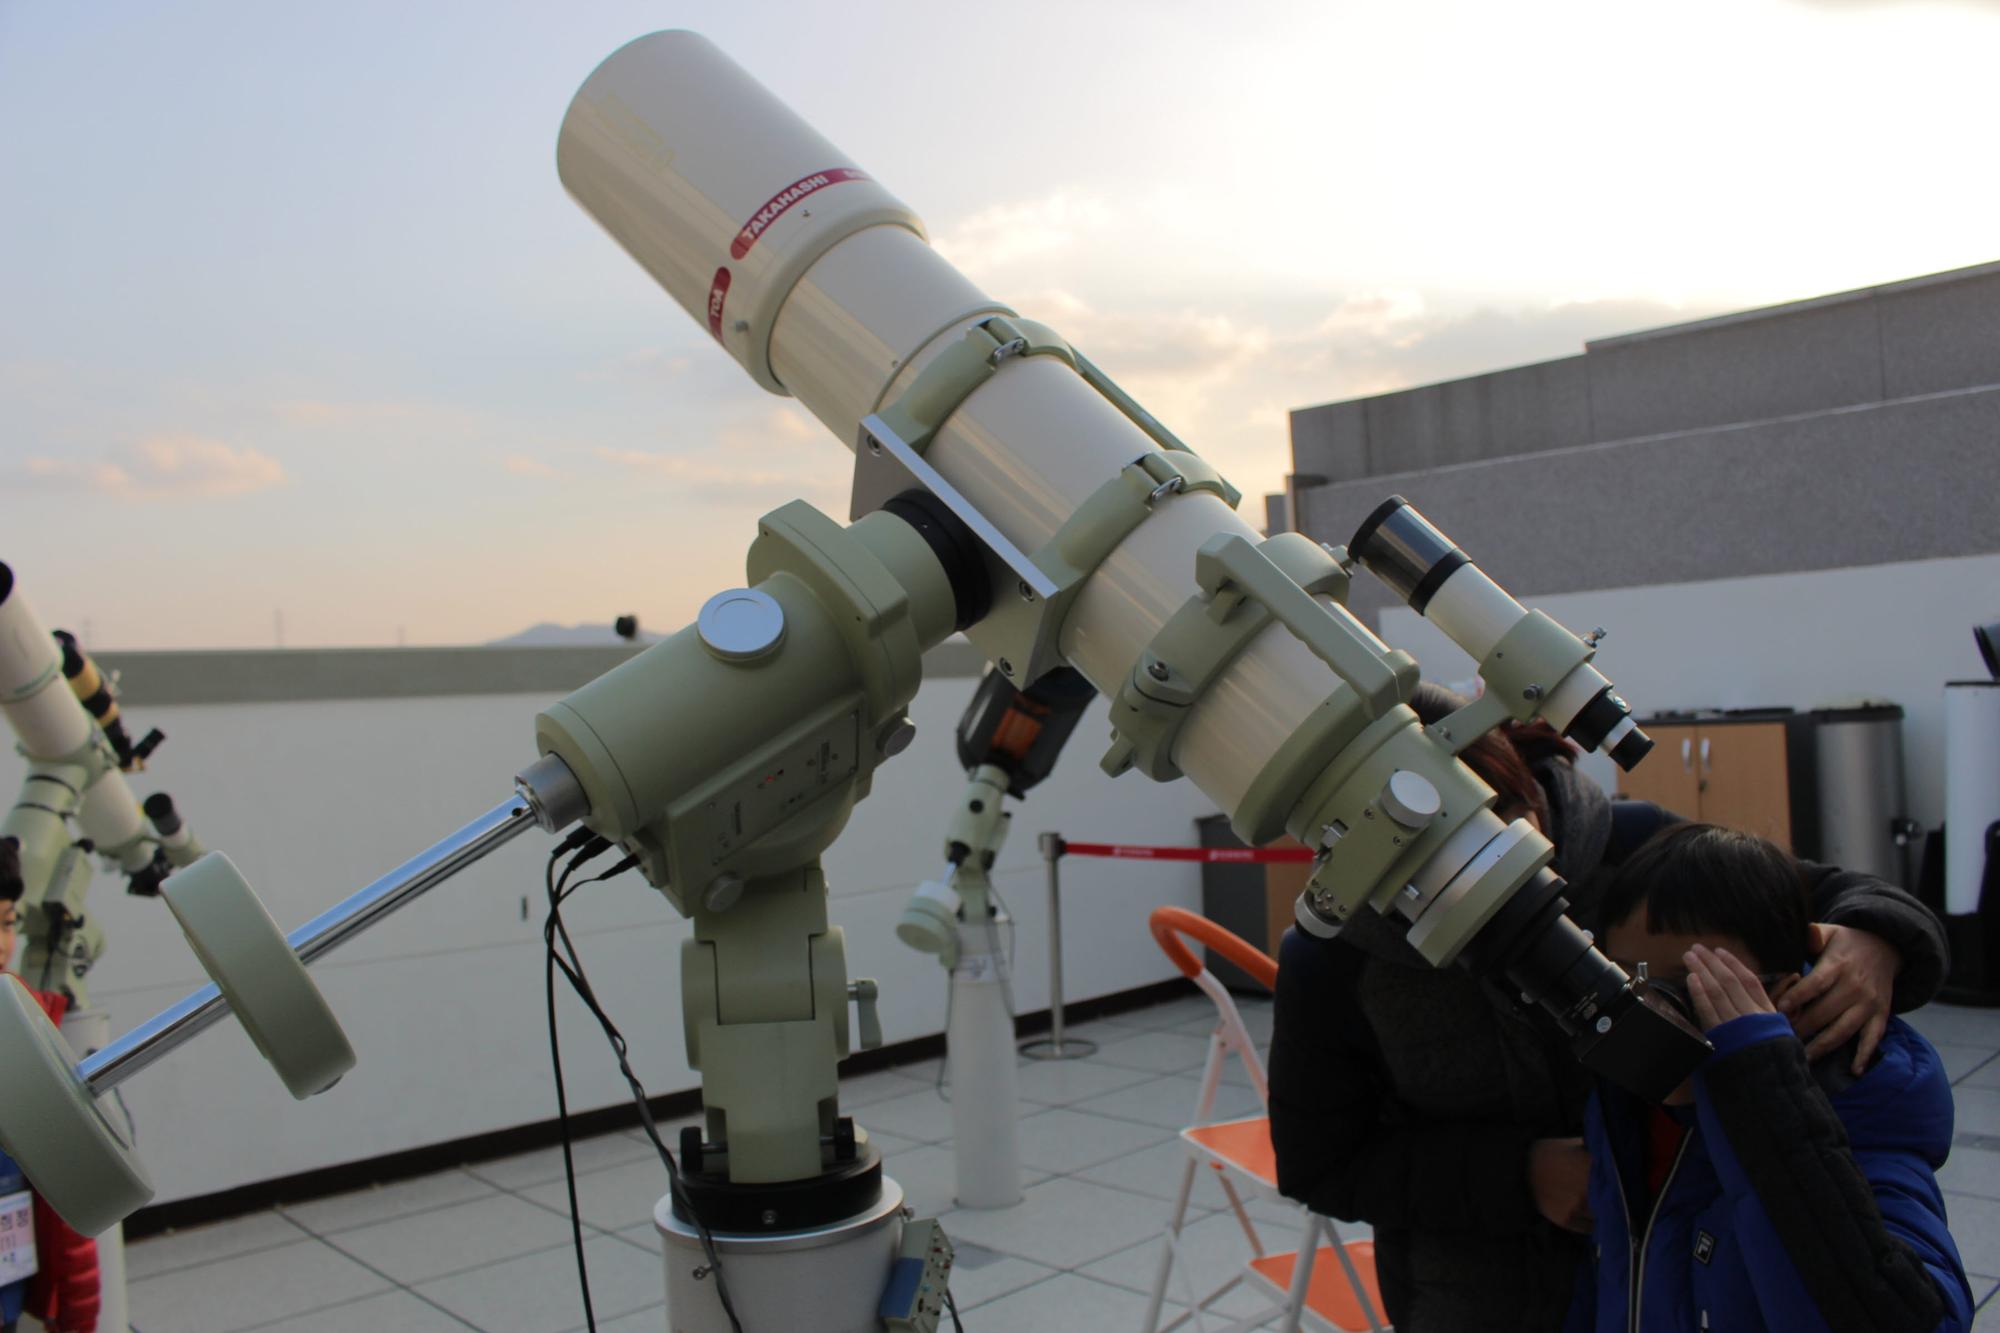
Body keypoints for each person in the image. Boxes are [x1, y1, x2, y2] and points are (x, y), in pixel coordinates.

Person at [1266, 686, 1949, 1333]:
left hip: (1690, 1249)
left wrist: (1877, 936)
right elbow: (1319, 1163)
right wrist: (1519, 1175)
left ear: (1526, 795)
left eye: (1493, 844)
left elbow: (1802, 898)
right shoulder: (1334, 958)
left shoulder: (1632, 849)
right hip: (1478, 1293)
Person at [1568, 822, 1971, 1332]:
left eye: (1693, 986)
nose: (1651, 1019)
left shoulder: (1861, 1107)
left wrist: (1762, 1093)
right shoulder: (1625, 1103)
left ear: (1786, 992)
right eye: (1629, 984)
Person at [0, 838, 101, 1333]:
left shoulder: (30, 1023)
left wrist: (76, 1314)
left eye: (6, 922)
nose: (1, 943)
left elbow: (62, 1184)